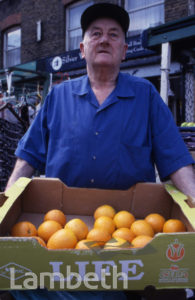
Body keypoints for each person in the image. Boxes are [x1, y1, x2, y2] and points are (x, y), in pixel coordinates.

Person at [5, 2, 195, 300]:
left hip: (131, 234)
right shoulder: (57, 97)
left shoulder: (145, 96)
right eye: (95, 34)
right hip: (64, 231)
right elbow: (27, 157)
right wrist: (6, 205)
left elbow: (176, 160)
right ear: (82, 48)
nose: (104, 39)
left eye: (114, 34)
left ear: (124, 50)